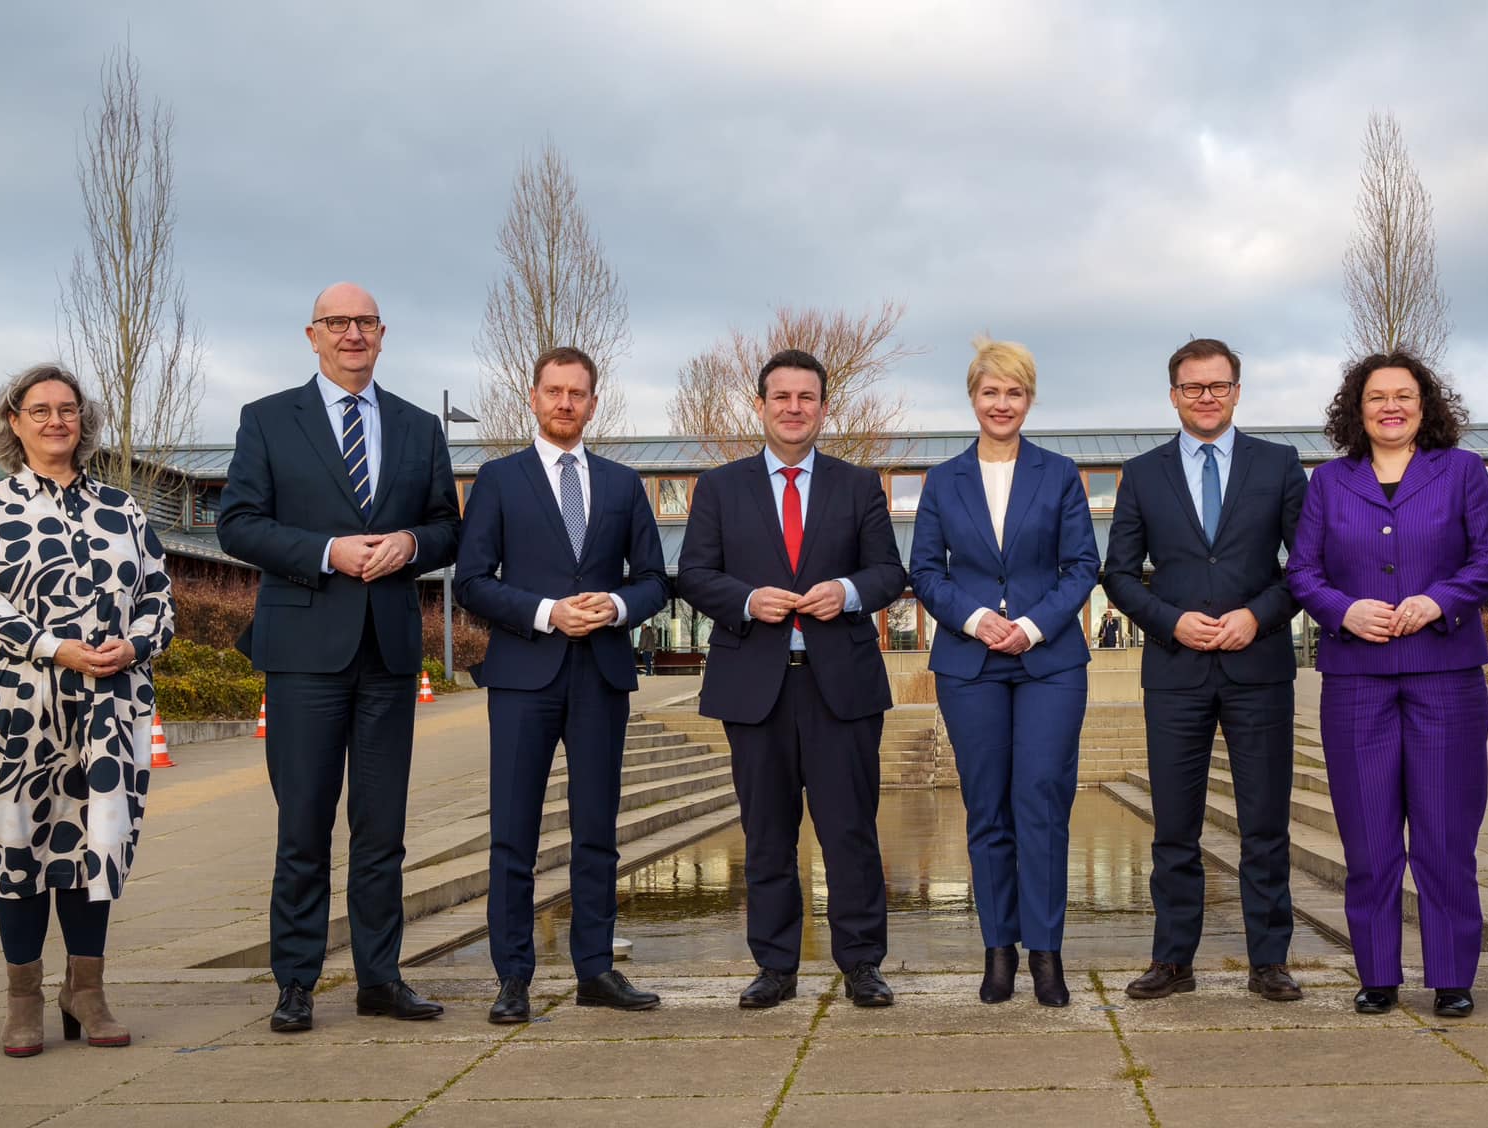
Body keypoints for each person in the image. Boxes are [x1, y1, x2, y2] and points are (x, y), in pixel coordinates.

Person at [218, 283, 463, 1032]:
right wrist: (326, 550)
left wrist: (413, 545)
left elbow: (449, 528)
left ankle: (380, 980)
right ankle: (295, 983)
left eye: (365, 322)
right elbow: (237, 524)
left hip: (388, 653)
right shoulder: (266, 420)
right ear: (312, 335)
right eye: (337, 322)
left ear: (382, 334)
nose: (352, 333)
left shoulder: (418, 428)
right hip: (302, 651)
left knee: (382, 829)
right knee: (303, 827)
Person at [0, 363, 174, 1056]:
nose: (56, 421)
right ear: (13, 422)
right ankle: (23, 1000)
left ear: (84, 421)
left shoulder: (124, 510)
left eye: (68, 409)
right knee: (21, 839)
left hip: (112, 700)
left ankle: (87, 990)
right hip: (18, 703)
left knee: (97, 839)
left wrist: (134, 646)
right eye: (40, 410)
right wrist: (55, 648)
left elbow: (159, 598)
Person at [676, 349, 908, 1009]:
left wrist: (847, 590)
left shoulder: (859, 484)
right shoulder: (719, 488)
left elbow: (890, 573)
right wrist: (748, 601)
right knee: (768, 834)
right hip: (756, 687)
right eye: (781, 397)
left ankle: (862, 965)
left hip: (843, 688)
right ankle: (775, 968)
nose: (794, 408)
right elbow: (694, 574)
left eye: (807, 397)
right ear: (761, 405)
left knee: (851, 833)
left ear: (824, 408)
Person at [1285, 350, 1488, 1017]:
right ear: (1357, 409)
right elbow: (1302, 572)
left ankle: (1450, 976)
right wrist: (1341, 610)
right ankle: (1377, 972)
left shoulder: (1463, 471)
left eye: (1403, 396)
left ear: (1425, 404)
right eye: (1377, 396)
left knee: (1444, 835)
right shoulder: (1328, 482)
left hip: (1445, 675)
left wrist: (1441, 600)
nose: (1390, 407)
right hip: (1357, 679)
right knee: (1368, 835)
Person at [454, 346, 670, 1022]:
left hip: (601, 674)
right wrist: (548, 613)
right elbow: (472, 582)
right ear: (534, 395)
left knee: (597, 830)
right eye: (554, 391)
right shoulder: (498, 479)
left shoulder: (622, 484)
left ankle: (596, 970)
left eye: (578, 392)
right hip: (524, 674)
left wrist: (619, 606)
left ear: (593, 402)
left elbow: (656, 579)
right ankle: (513, 977)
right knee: (513, 832)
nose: (566, 402)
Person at [1104, 338, 1309, 1002]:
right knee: (1174, 827)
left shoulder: (1279, 465)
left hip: (1260, 666)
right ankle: (1173, 961)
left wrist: (1259, 616)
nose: (1206, 398)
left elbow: (1306, 568)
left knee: (1265, 824)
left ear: (1237, 392)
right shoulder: (1141, 473)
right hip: (1176, 670)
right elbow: (1117, 574)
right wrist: (1168, 620)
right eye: (1192, 388)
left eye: (1217, 386)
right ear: (1173, 396)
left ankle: (1269, 961)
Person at [908, 337, 1100, 1006]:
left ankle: (1046, 954)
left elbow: (1082, 566)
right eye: (991, 391)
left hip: (1049, 662)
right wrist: (974, 618)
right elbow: (926, 571)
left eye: (1014, 392)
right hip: (969, 663)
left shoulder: (1059, 473)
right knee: (987, 808)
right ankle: (998, 953)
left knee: (1041, 803)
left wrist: (1034, 625)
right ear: (973, 397)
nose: (1002, 403)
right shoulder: (942, 481)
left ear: (1029, 399)